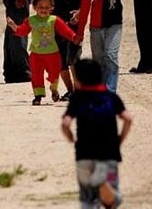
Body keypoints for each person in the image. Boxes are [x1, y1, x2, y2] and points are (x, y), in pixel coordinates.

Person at [62, 58, 133, 209]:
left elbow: (66, 123)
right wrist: (119, 139)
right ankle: (103, 183)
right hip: (109, 154)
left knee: (87, 199)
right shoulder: (111, 97)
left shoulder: (77, 98)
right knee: (113, 201)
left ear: (79, 80)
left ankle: (99, 183)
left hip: (84, 154)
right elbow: (128, 118)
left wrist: (70, 137)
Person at [77, 0, 139, 92]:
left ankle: (110, 91)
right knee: (98, 60)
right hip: (96, 27)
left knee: (111, 56)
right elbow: (84, 9)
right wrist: (80, 32)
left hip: (114, 25)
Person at [6, 0, 81, 105]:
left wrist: (74, 37)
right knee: (36, 75)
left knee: (54, 74)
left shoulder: (54, 20)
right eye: (40, 7)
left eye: (47, 7)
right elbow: (22, 31)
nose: (43, 10)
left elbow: (65, 31)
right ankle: (38, 95)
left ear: (52, 8)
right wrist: (14, 26)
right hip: (36, 55)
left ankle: (54, 89)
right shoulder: (31, 20)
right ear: (34, 7)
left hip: (53, 54)